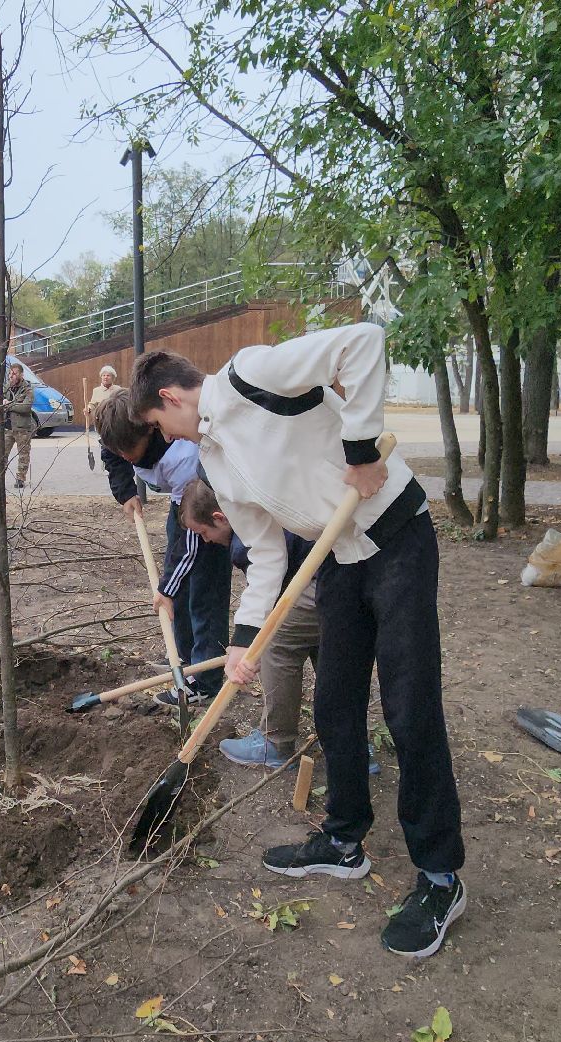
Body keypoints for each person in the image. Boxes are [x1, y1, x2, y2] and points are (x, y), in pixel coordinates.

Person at [131, 322, 467, 959]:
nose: (164, 441)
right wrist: (242, 640)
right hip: (336, 555)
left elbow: (363, 342)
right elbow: (262, 555)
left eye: (159, 425)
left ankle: (440, 877)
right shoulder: (217, 459)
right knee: (336, 703)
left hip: (397, 541)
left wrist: (362, 449)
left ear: (172, 398)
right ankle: (344, 840)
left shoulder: (251, 374)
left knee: (409, 706)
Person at [96, 396, 227, 705]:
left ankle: (205, 679)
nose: (126, 458)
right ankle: (182, 657)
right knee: (176, 583)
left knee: (203, 592)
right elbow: (113, 456)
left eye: (131, 451)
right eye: (120, 452)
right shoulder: (117, 436)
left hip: (206, 511)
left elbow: (191, 543)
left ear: (150, 431)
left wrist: (166, 588)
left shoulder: (182, 454)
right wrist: (126, 493)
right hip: (180, 501)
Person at [5, 364, 36, 489]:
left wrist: (9, 405)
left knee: (23, 455)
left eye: (14, 374)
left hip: (22, 427)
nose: (11, 376)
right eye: (10, 374)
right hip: (7, 427)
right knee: (1, 454)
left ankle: (20, 478)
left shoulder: (27, 389)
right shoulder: (6, 388)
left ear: (21, 375)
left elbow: (26, 407)